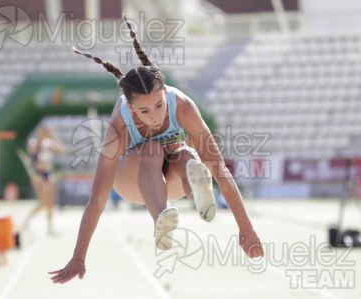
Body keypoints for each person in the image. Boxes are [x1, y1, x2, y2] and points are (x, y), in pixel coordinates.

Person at [49, 16, 263, 284]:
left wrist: (246, 228)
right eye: (144, 111)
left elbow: (221, 171)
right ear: (129, 108)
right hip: (133, 184)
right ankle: (161, 218)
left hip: (172, 179)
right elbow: (98, 198)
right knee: (152, 148)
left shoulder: (182, 105)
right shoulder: (119, 125)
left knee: (187, 155)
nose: (155, 116)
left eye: (160, 105)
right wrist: (79, 256)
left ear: (166, 94)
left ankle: (197, 191)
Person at [23, 126, 65, 235]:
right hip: (39, 174)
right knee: (43, 202)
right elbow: (33, 152)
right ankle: (28, 219)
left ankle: (50, 227)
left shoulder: (49, 143)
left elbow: (61, 150)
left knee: (51, 201)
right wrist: (42, 140)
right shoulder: (34, 142)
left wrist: (53, 138)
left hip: (49, 173)